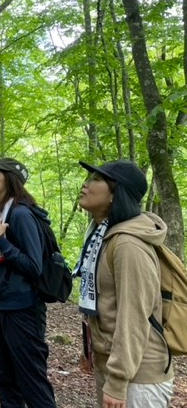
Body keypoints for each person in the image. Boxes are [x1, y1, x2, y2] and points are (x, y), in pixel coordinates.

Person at [74, 160, 173, 407]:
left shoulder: (128, 245)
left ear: (115, 194)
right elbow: (105, 304)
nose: (86, 184)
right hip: (114, 366)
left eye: (97, 179)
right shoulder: (101, 237)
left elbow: (134, 315)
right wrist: (91, 351)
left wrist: (118, 381)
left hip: (138, 377)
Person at [0, 157, 57, 407]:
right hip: (2, 308)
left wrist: (2, 241)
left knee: (32, 384)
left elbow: (34, 266)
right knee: (7, 381)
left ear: (10, 179)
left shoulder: (21, 214)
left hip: (23, 310)